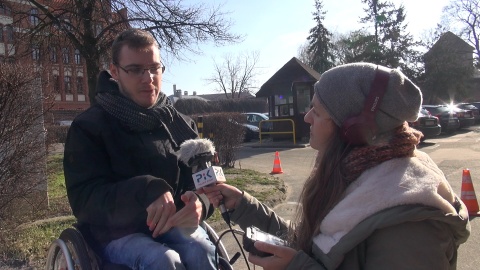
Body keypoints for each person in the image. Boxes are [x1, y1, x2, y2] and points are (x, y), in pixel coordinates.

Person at [200, 63, 471, 270]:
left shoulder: (408, 221)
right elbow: (322, 246)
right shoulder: (355, 175)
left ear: (354, 130)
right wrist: (244, 207)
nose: (306, 118)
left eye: (317, 112)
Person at [63, 28, 218, 270]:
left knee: (202, 250)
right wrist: (146, 190)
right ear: (114, 71)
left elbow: (203, 184)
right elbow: (85, 200)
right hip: (114, 234)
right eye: (135, 70)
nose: (148, 78)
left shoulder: (180, 124)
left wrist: (200, 203)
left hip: (173, 223)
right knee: (164, 261)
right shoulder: (89, 127)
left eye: (155, 68)